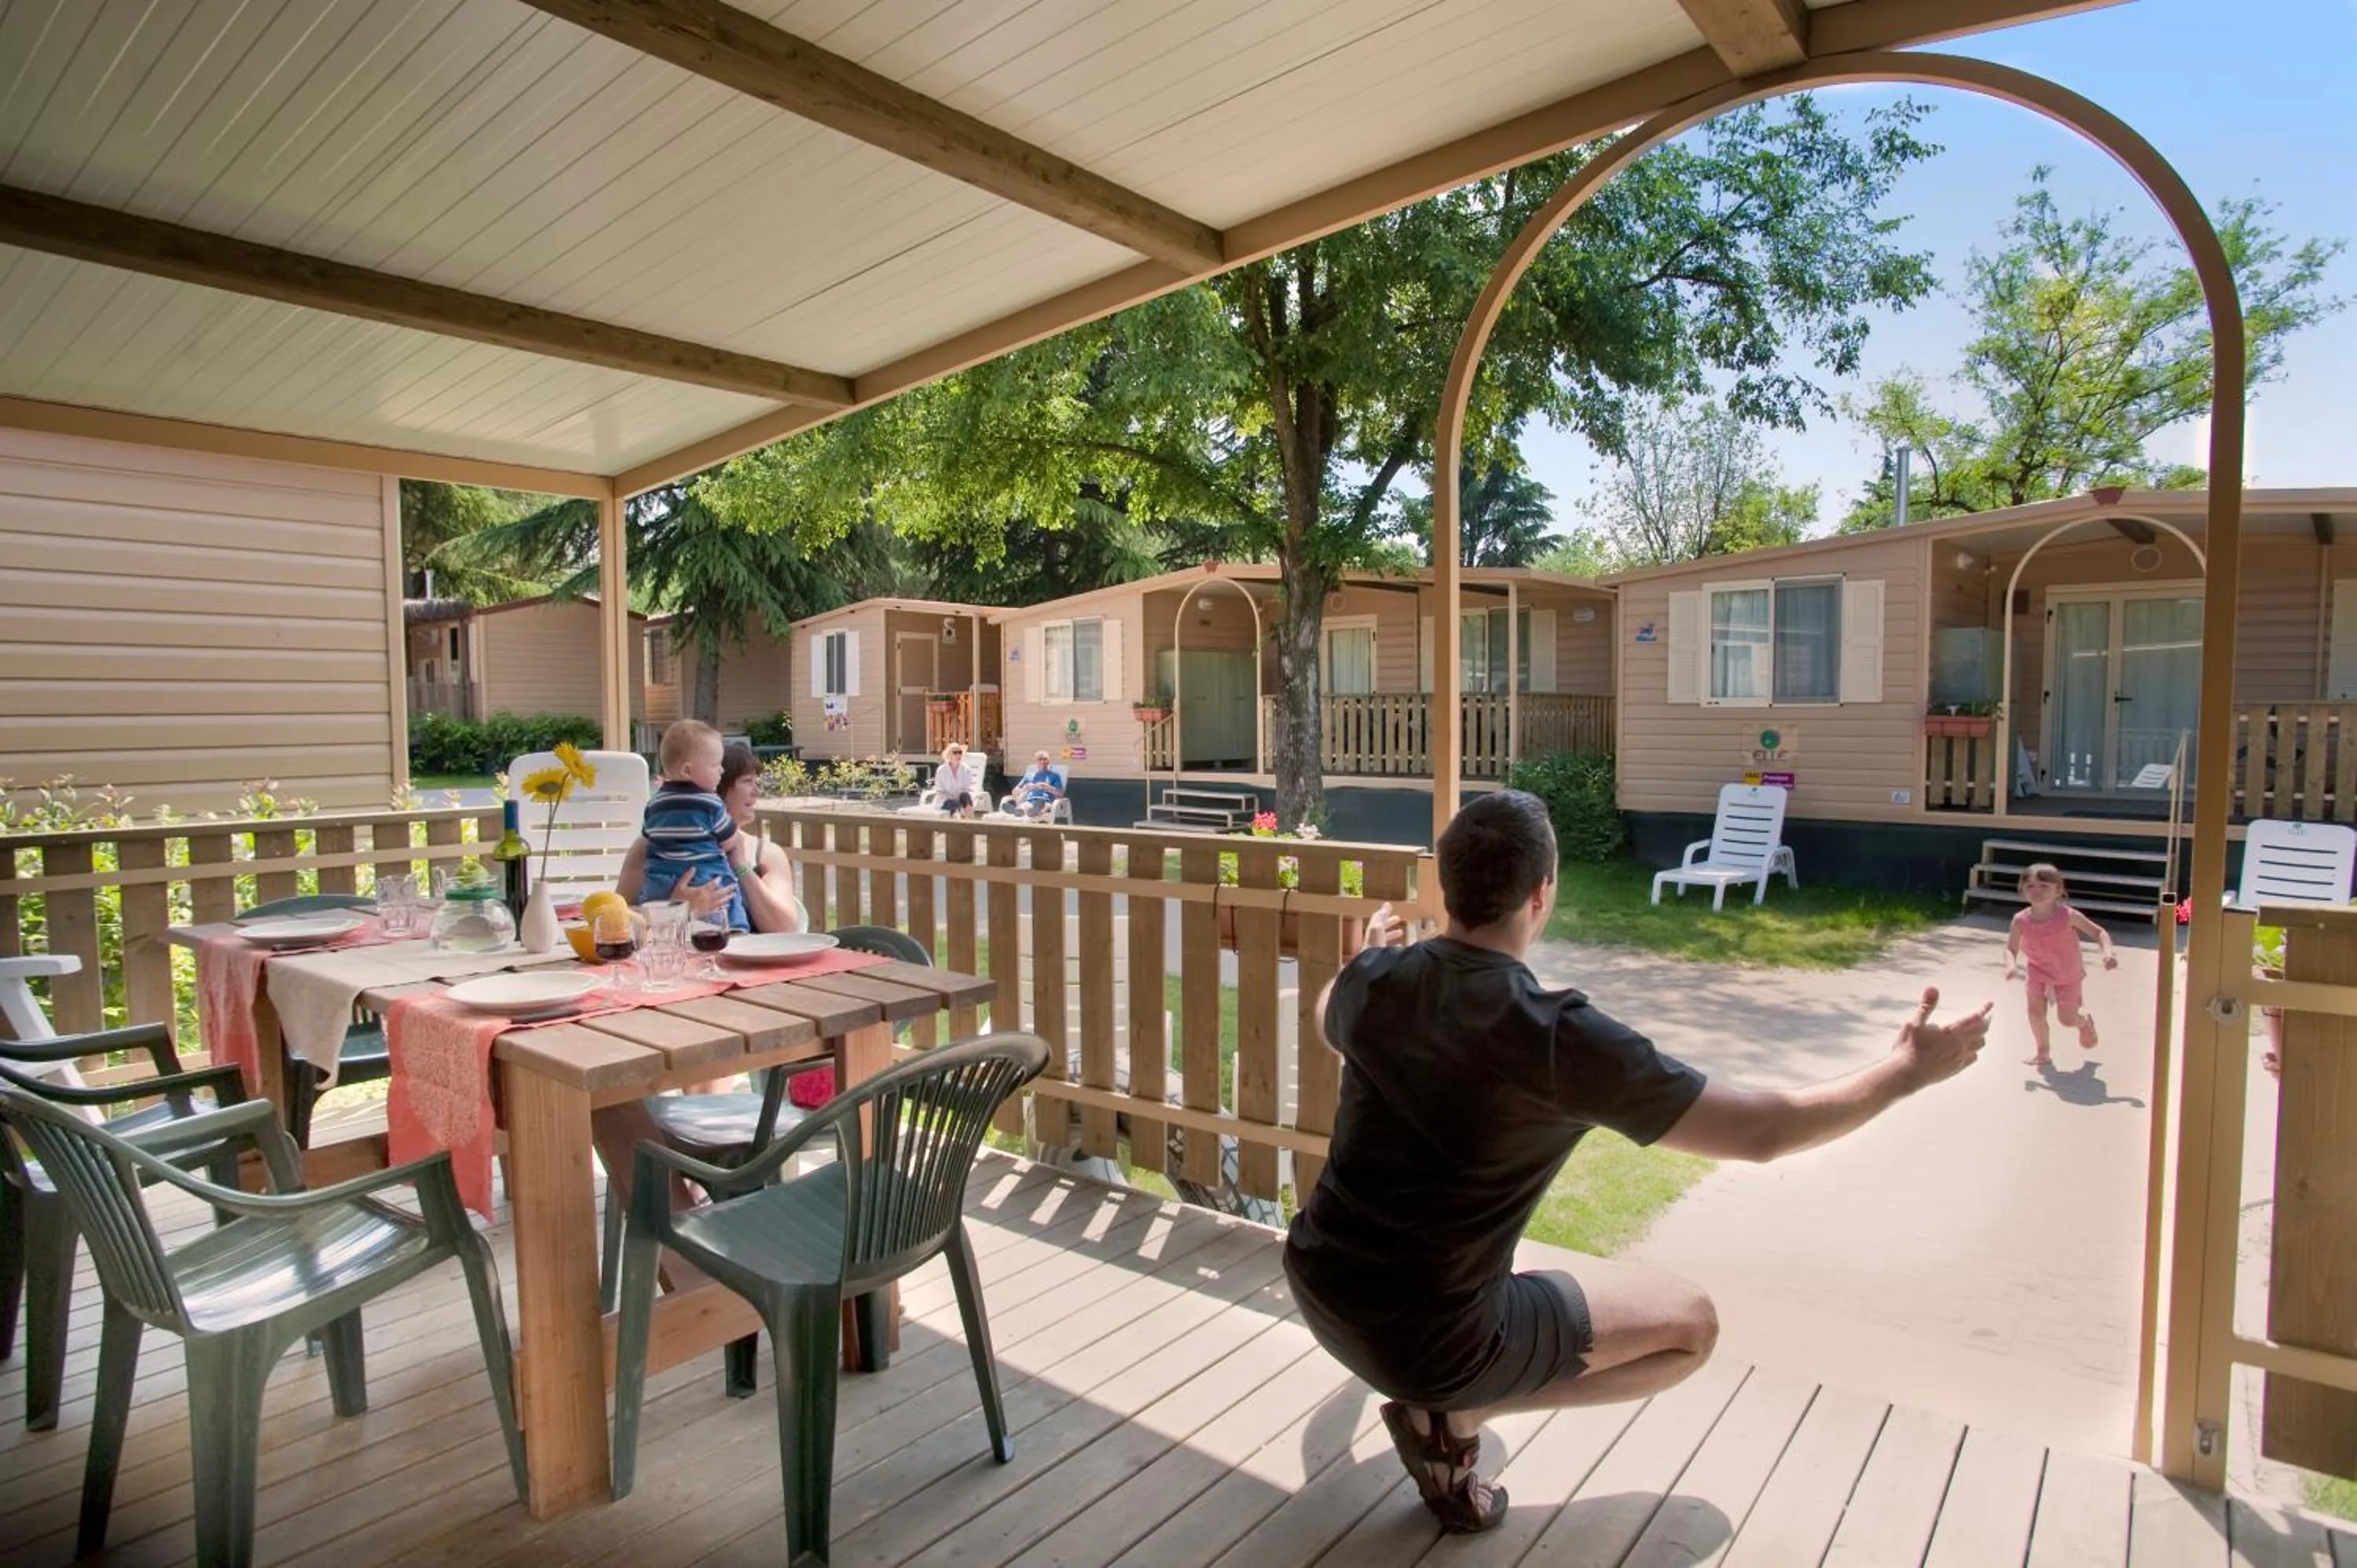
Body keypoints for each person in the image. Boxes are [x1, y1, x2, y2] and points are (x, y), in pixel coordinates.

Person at [1283, 789, 1992, 1533]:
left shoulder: (1373, 983)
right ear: (1541, 894)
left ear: (1446, 887)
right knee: (1690, 1326)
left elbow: (1330, 1008)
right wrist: (1905, 1072)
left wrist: (1370, 958)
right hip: (1430, 1347)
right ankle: (1462, 1408)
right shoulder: (1559, 1038)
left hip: (1320, 1284)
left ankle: (1453, 1401)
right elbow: (1764, 1132)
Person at [619, 741, 805, 935]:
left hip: (748, 962)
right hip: (679, 962)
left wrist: (741, 867)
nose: (757, 792)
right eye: (747, 781)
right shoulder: (650, 847)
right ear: (717, 786)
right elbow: (617, 918)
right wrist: (674, 907)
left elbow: (785, 929)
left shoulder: (766, 854)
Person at [2004, 862, 2117, 1066]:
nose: (2036, 891)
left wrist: (2108, 953)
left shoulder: (2068, 916)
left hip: (2067, 975)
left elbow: (2099, 933)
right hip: (2037, 972)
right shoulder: (2020, 920)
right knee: (2035, 1013)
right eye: (2030, 886)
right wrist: (2011, 965)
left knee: (2067, 1020)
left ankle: (2084, 1021)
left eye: (2044, 886)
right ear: (2022, 890)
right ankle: (2042, 1052)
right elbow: (2010, 948)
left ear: (2058, 890)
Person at [1007, 749, 1067, 819]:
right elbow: (1014, 792)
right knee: (1024, 806)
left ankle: (1034, 810)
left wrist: (1047, 787)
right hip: (1030, 801)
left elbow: (1060, 793)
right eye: (1040, 759)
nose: (1043, 762)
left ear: (1049, 761)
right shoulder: (1029, 776)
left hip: (1046, 801)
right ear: (1036, 761)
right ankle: (1019, 811)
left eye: (1045, 759)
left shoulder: (1055, 776)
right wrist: (1025, 788)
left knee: (1042, 805)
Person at [932, 741, 983, 817]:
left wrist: (959, 797)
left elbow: (967, 789)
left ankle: (970, 821)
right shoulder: (942, 770)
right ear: (949, 755)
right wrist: (951, 798)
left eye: (960, 752)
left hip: (962, 799)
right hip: (945, 800)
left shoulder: (966, 770)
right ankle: (967, 821)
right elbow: (939, 790)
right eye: (955, 753)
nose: (958, 755)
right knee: (957, 804)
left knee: (965, 796)